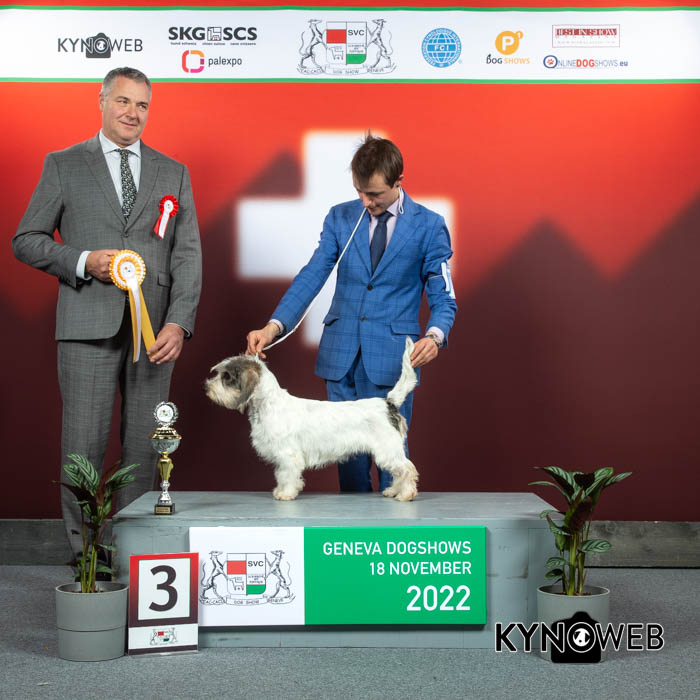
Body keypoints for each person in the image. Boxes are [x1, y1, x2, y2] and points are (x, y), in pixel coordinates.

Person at [12, 67, 202, 550]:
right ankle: (86, 560)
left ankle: (131, 555)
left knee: (145, 447)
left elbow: (187, 255)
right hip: (85, 327)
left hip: (155, 334)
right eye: (123, 101)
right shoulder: (64, 164)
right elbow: (26, 240)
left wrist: (179, 322)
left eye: (142, 105)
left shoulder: (174, 172)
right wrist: (83, 261)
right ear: (101, 102)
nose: (132, 113)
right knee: (82, 449)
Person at [246, 134, 456, 493]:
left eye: (374, 194)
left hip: (391, 357)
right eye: (359, 191)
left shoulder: (429, 225)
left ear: (399, 181)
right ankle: (353, 524)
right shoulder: (340, 217)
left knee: (390, 455)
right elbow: (312, 275)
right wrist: (273, 326)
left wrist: (435, 335)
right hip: (340, 355)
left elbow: (444, 294)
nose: (365, 201)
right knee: (348, 461)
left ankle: (395, 521)